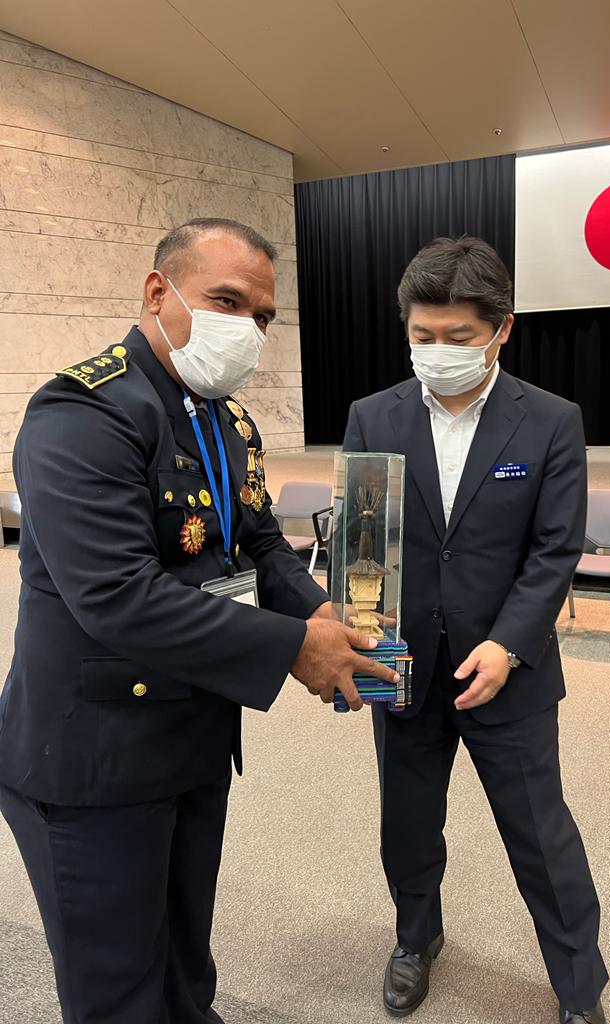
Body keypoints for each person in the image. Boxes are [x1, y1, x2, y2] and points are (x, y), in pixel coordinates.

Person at [0, 217, 396, 1024]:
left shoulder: (224, 418)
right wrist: (297, 648)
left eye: (264, 317)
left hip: (192, 732)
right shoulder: (84, 412)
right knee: (119, 989)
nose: (248, 330)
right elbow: (117, 595)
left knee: (186, 963)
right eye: (228, 302)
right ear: (159, 291)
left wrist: (322, 610)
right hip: (96, 756)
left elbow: (258, 543)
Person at [343, 237, 608, 1024]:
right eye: (422, 336)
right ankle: (415, 938)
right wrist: (363, 648)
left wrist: (508, 643)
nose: (438, 351)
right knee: (407, 826)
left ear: (501, 329)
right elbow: (364, 546)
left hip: (508, 669)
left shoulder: (550, 421)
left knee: (541, 836)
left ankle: (579, 986)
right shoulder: (373, 416)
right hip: (404, 665)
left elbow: (555, 549)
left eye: (458, 337)